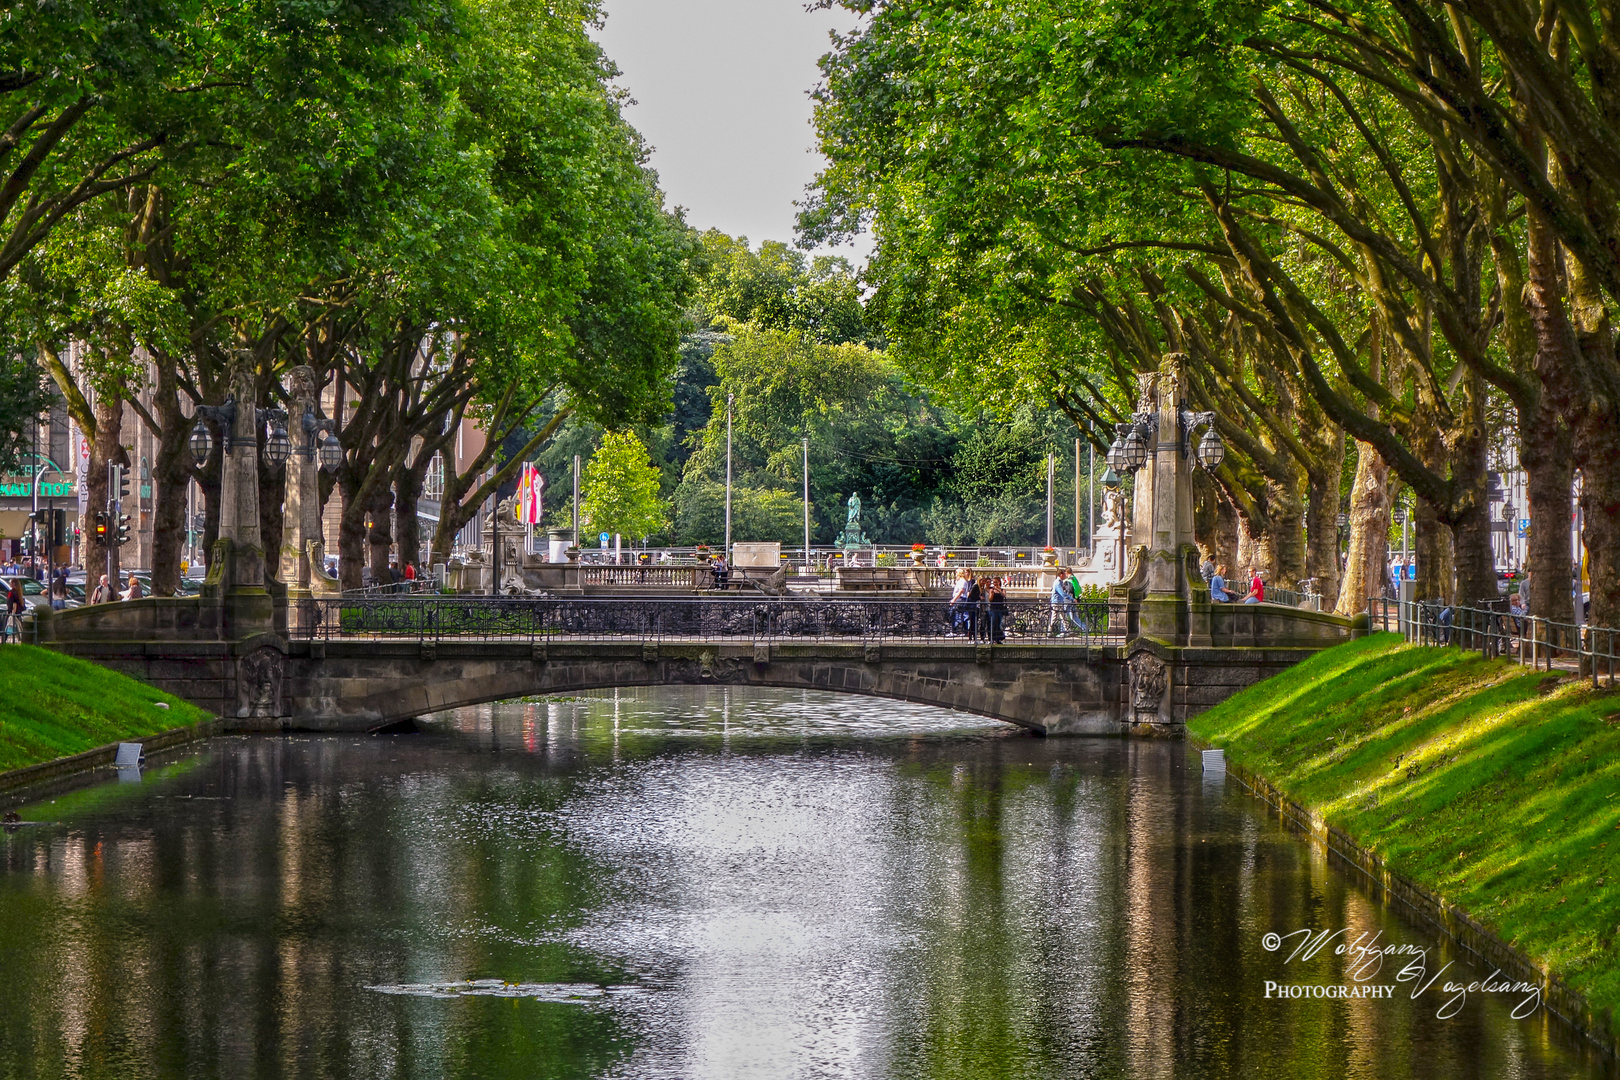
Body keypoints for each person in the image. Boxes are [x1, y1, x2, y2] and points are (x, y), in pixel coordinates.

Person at [948, 568, 973, 636]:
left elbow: (961, 591)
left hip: (960, 599)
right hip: (959, 599)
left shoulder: (962, 581)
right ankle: (959, 630)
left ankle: (956, 631)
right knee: (956, 614)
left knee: (957, 615)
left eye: (956, 573)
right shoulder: (960, 581)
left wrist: (954, 599)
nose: (955, 575)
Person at [985, 576, 1007, 643]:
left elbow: (1004, 596)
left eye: (996, 582)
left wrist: (998, 590)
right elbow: (990, 599)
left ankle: (998, 638)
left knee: (999, 624)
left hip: (1000, 608)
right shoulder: (992, 590)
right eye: (993, 582)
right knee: (993, 623)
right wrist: (991, 593)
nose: (994, 583)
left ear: (999, 582)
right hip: (993, 608)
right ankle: (993, 638)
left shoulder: (1002, 590)